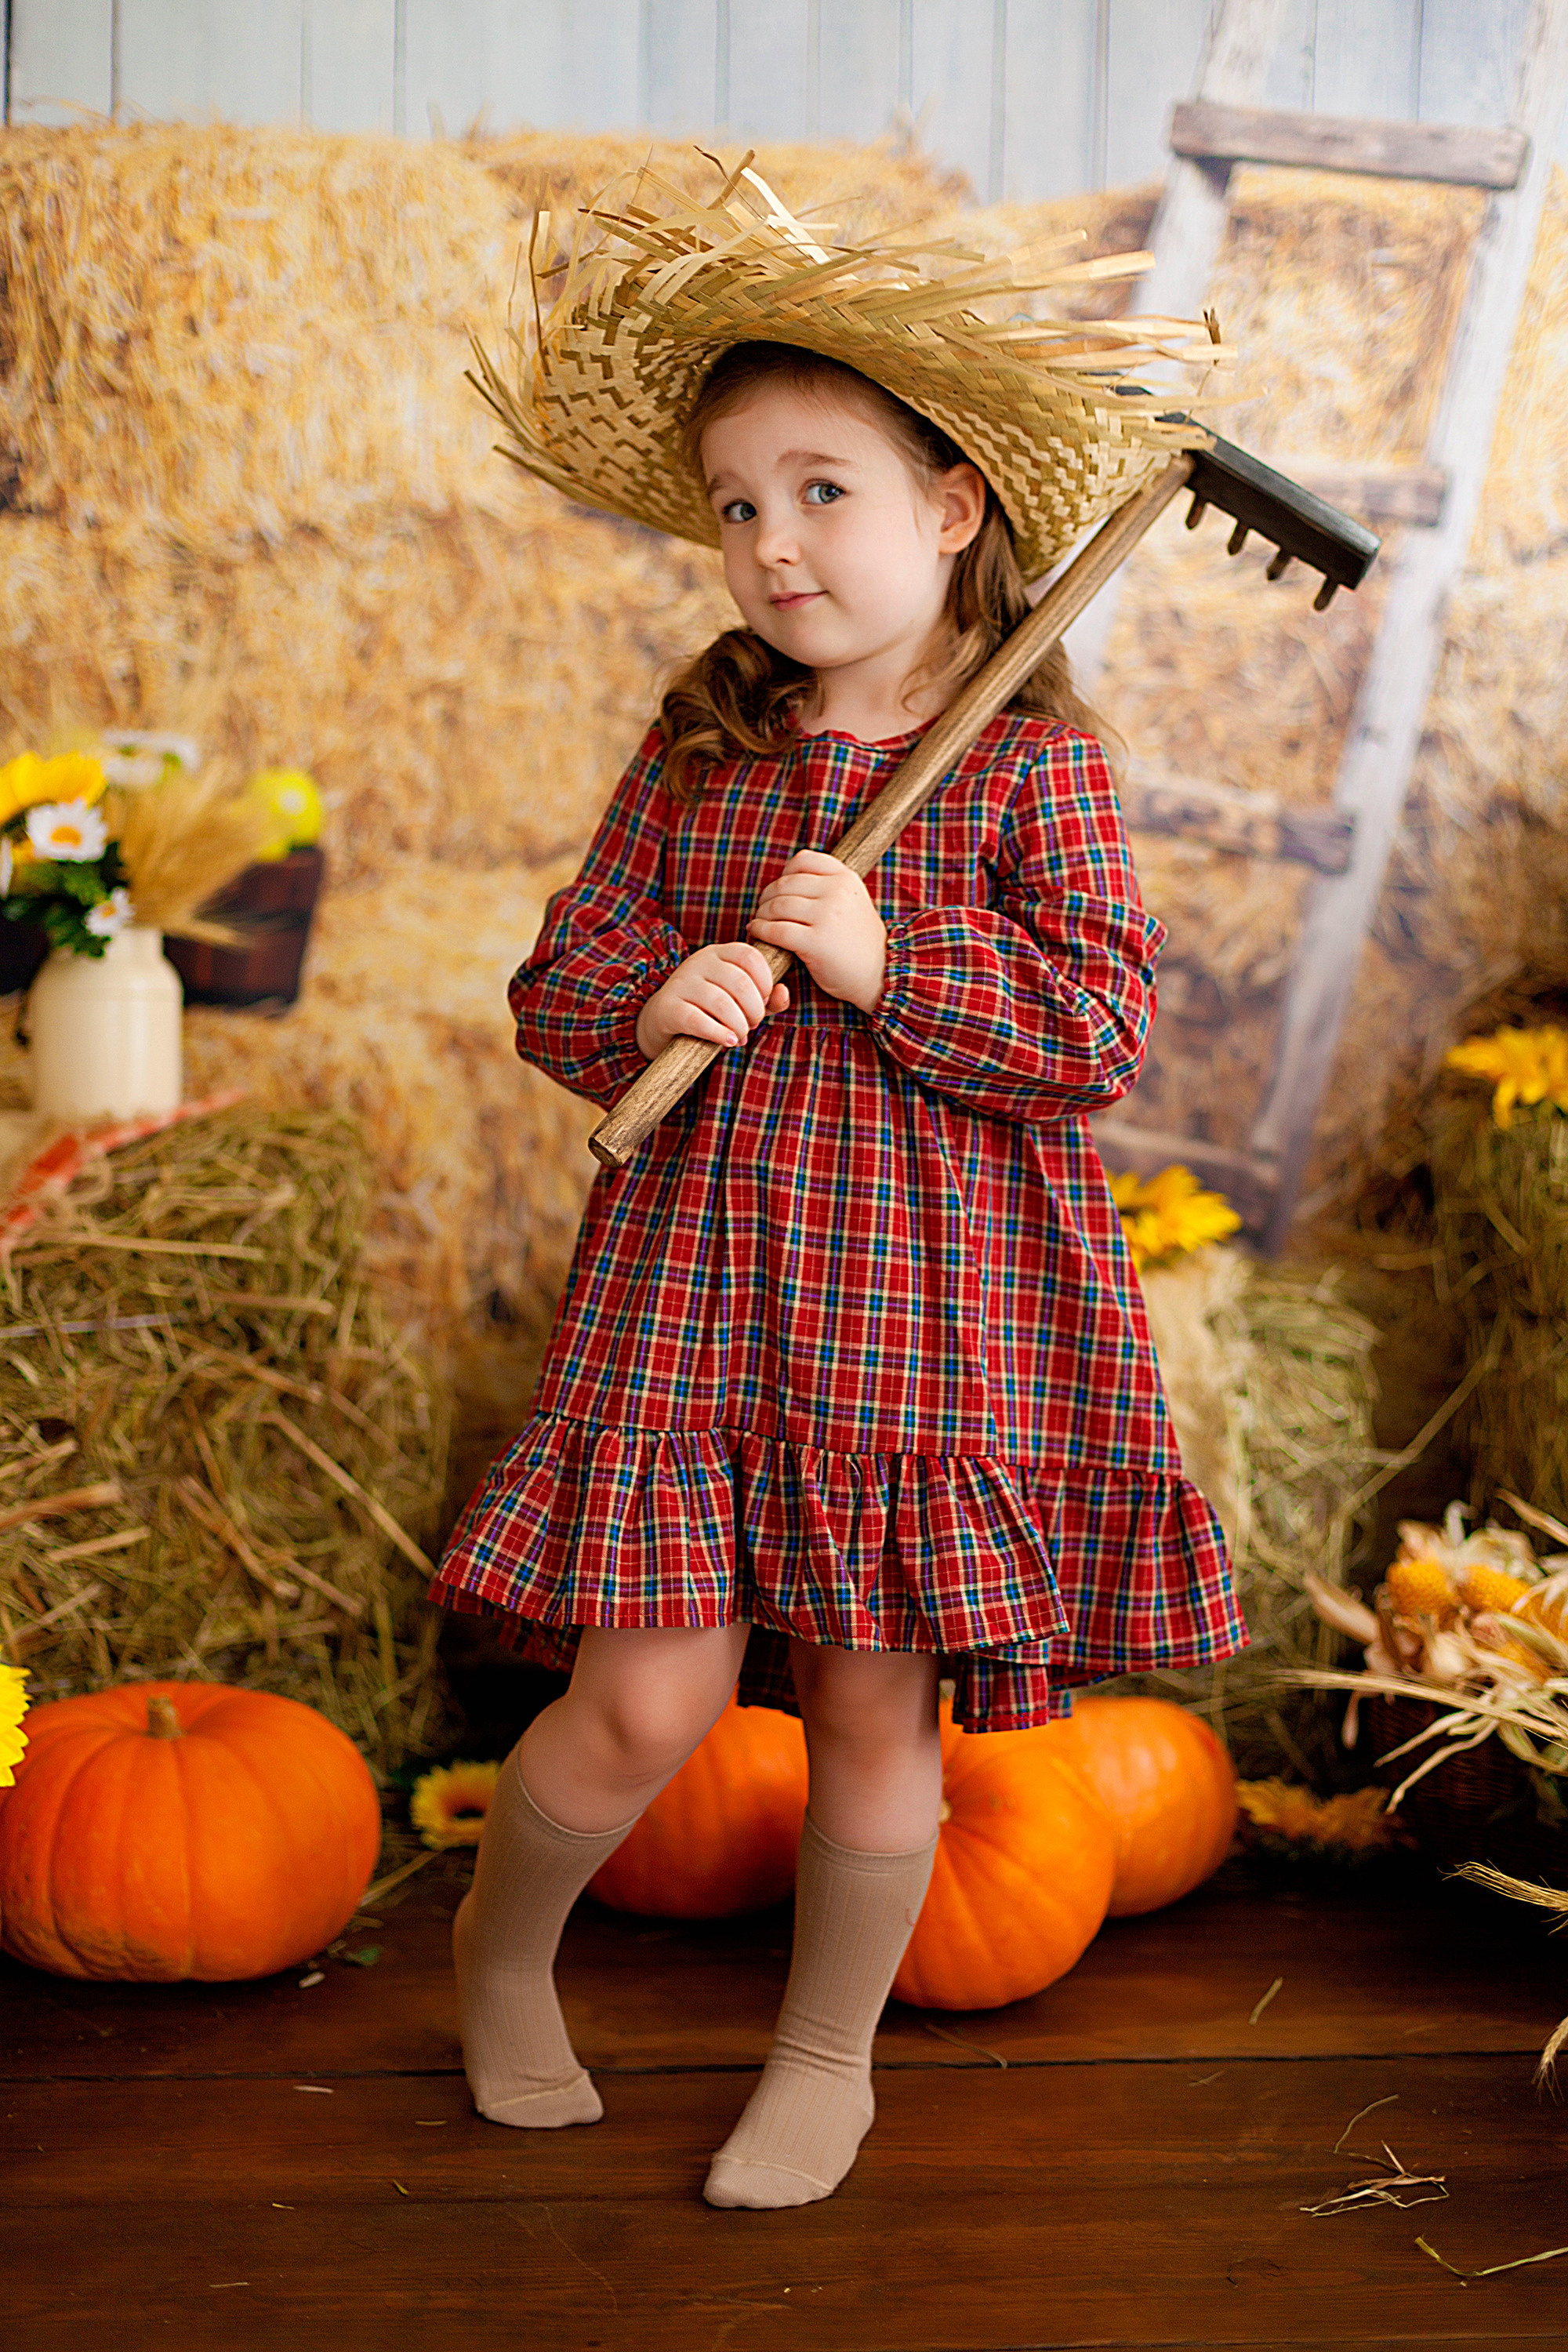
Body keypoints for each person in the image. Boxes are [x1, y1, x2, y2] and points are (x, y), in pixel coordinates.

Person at [429, 158, 1247, 2210]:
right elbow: (566, 971)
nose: (773, 543)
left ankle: (825, 2058)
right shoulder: (701, 751)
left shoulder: (1027, 773)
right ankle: (498, 1953)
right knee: (645, 1701)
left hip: (915, 1306)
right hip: (697, 1290)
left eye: (823, 490)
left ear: (951, 507)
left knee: (878, 1714)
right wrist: (646, 1000)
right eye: (737, 502)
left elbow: (1096, 1041)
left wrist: (897, 964)